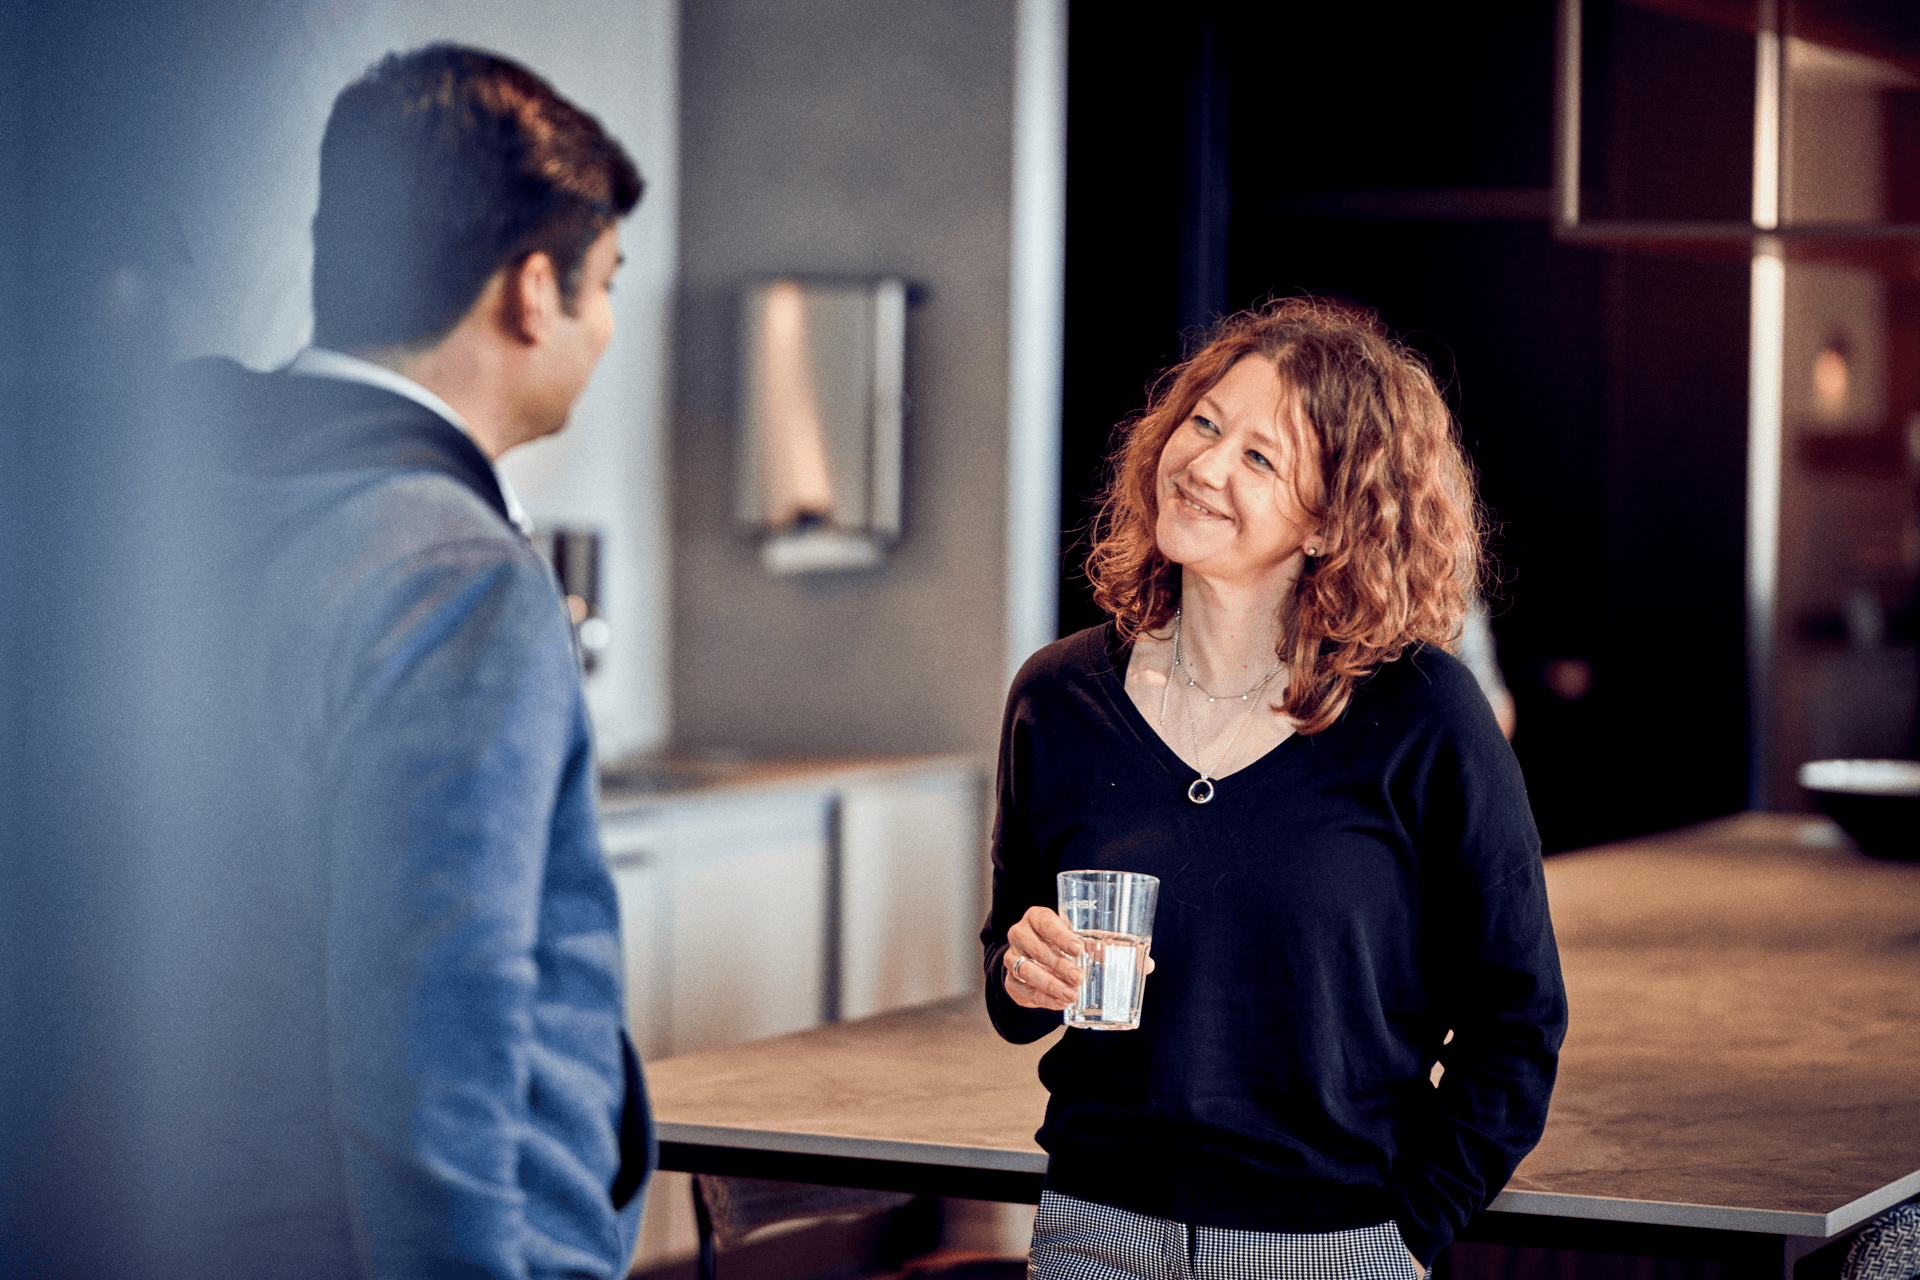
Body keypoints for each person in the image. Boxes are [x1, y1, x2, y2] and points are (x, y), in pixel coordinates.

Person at [162, 45, 650, 1278]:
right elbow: (440, 1039)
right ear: (533, 291)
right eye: (607, 285)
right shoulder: (452, 573)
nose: (603, 329)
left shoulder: (157, 506)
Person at [982, 298, 1566, 1280]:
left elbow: (1518, 1018)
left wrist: (1403, 1232)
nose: (1204, 465)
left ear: (1331, 518)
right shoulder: (1059, 696)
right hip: (1095, 1228)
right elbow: (1015, 963)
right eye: (1203, 424)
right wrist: (1022, 965)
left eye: (1260, 458)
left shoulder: (1424, 715)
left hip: (1331, 1245)